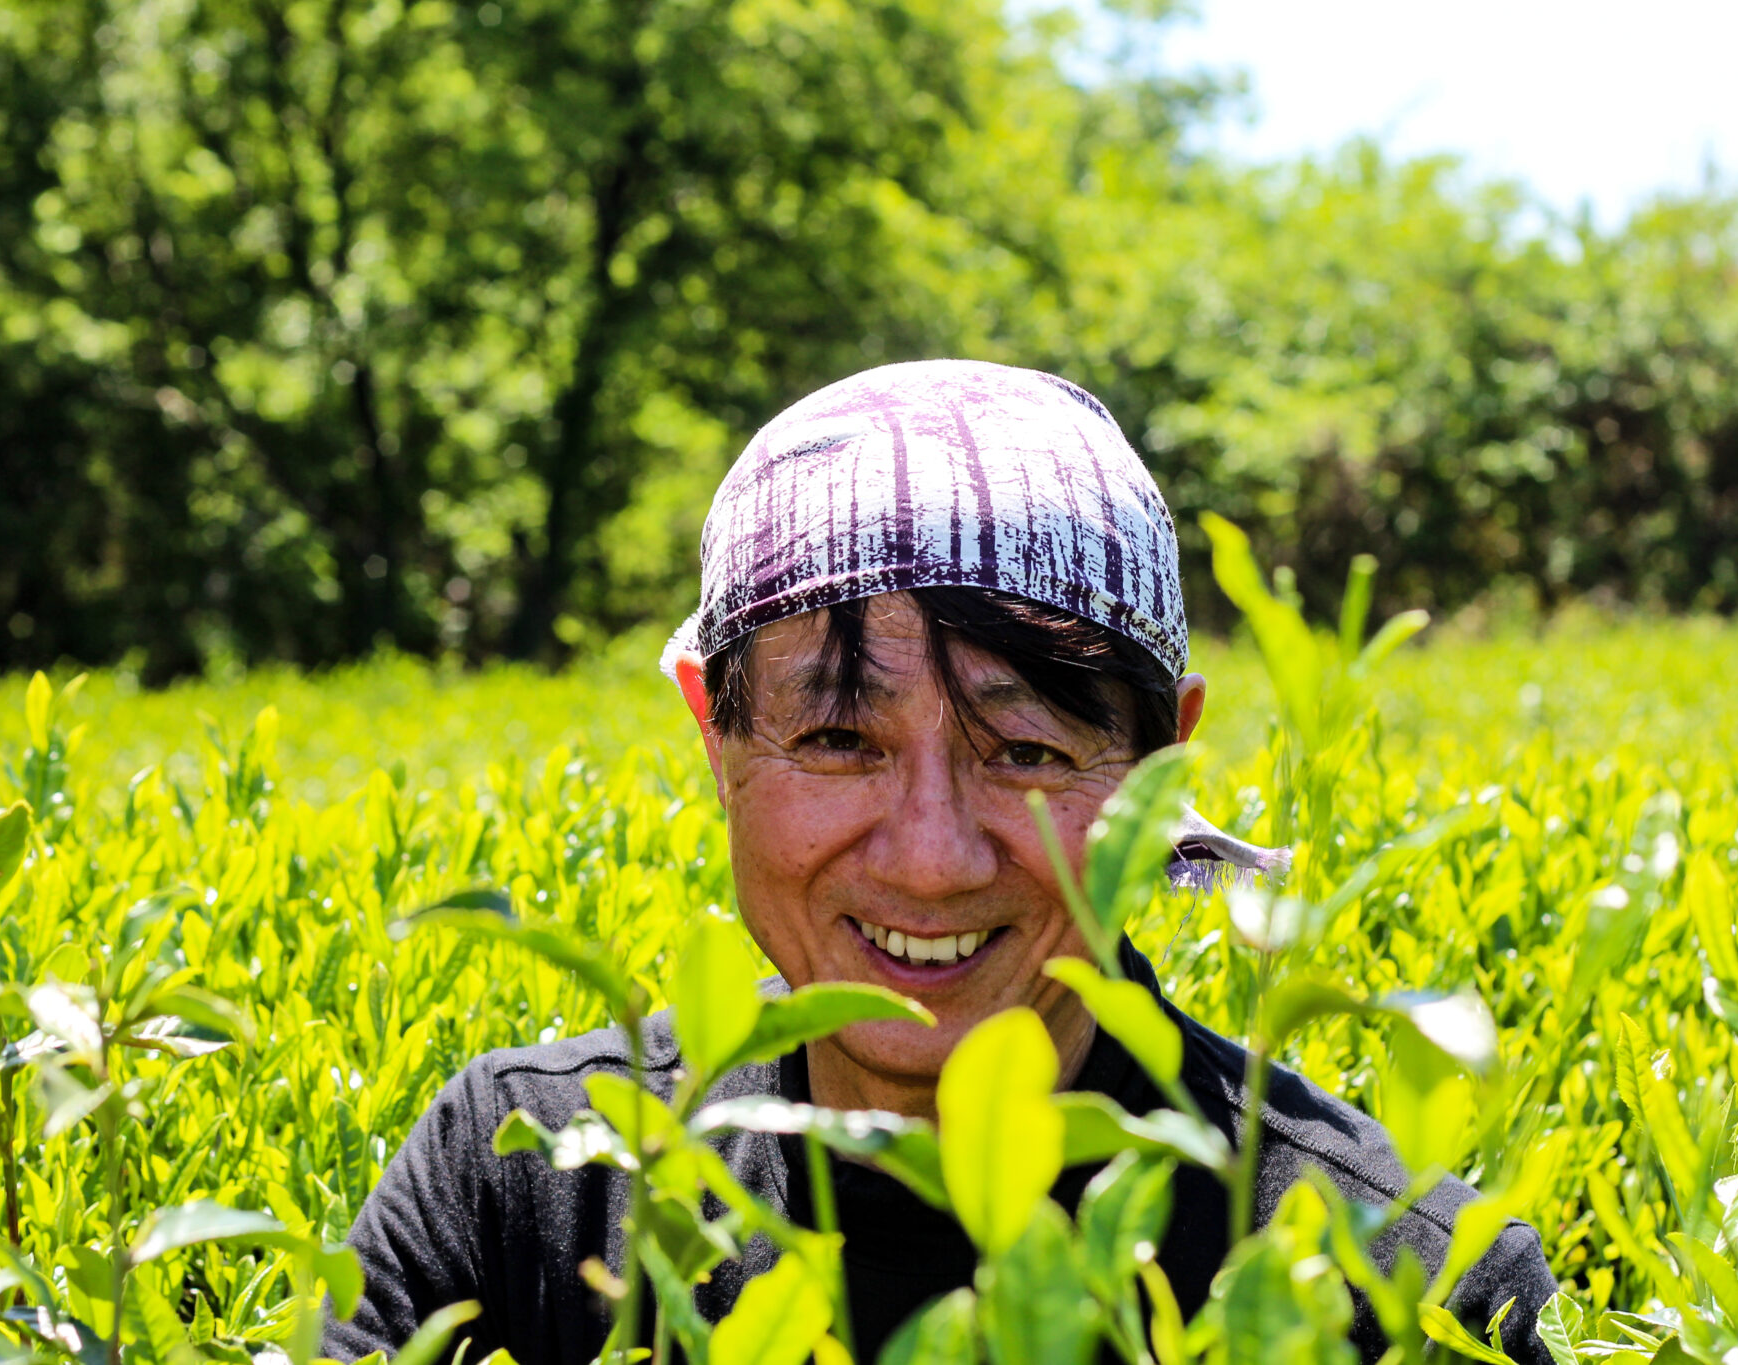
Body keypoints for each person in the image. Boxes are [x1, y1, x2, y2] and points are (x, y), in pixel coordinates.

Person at [327, 361, 1556, 1364]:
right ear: (714, 733)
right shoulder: (527, 1179)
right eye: (837, 740)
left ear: (1158, 768)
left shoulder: (1406, 1284)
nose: (929, 860)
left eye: (1026, 751)